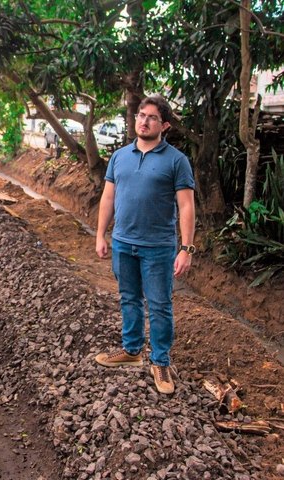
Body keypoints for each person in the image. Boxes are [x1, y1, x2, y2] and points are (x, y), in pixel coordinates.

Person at [94, 95, 195, 395]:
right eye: (140, 115)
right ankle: (132, 349)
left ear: (164, 125)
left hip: (159, 247)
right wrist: (101, 234)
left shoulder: (177, 161)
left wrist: (186, 248)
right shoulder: (119, 157)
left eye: (151, 117)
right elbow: (108, 198)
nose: (143, 120)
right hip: (123, 242)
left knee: (160, 305)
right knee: (129, 298)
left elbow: (187, 207)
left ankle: (161, 360)